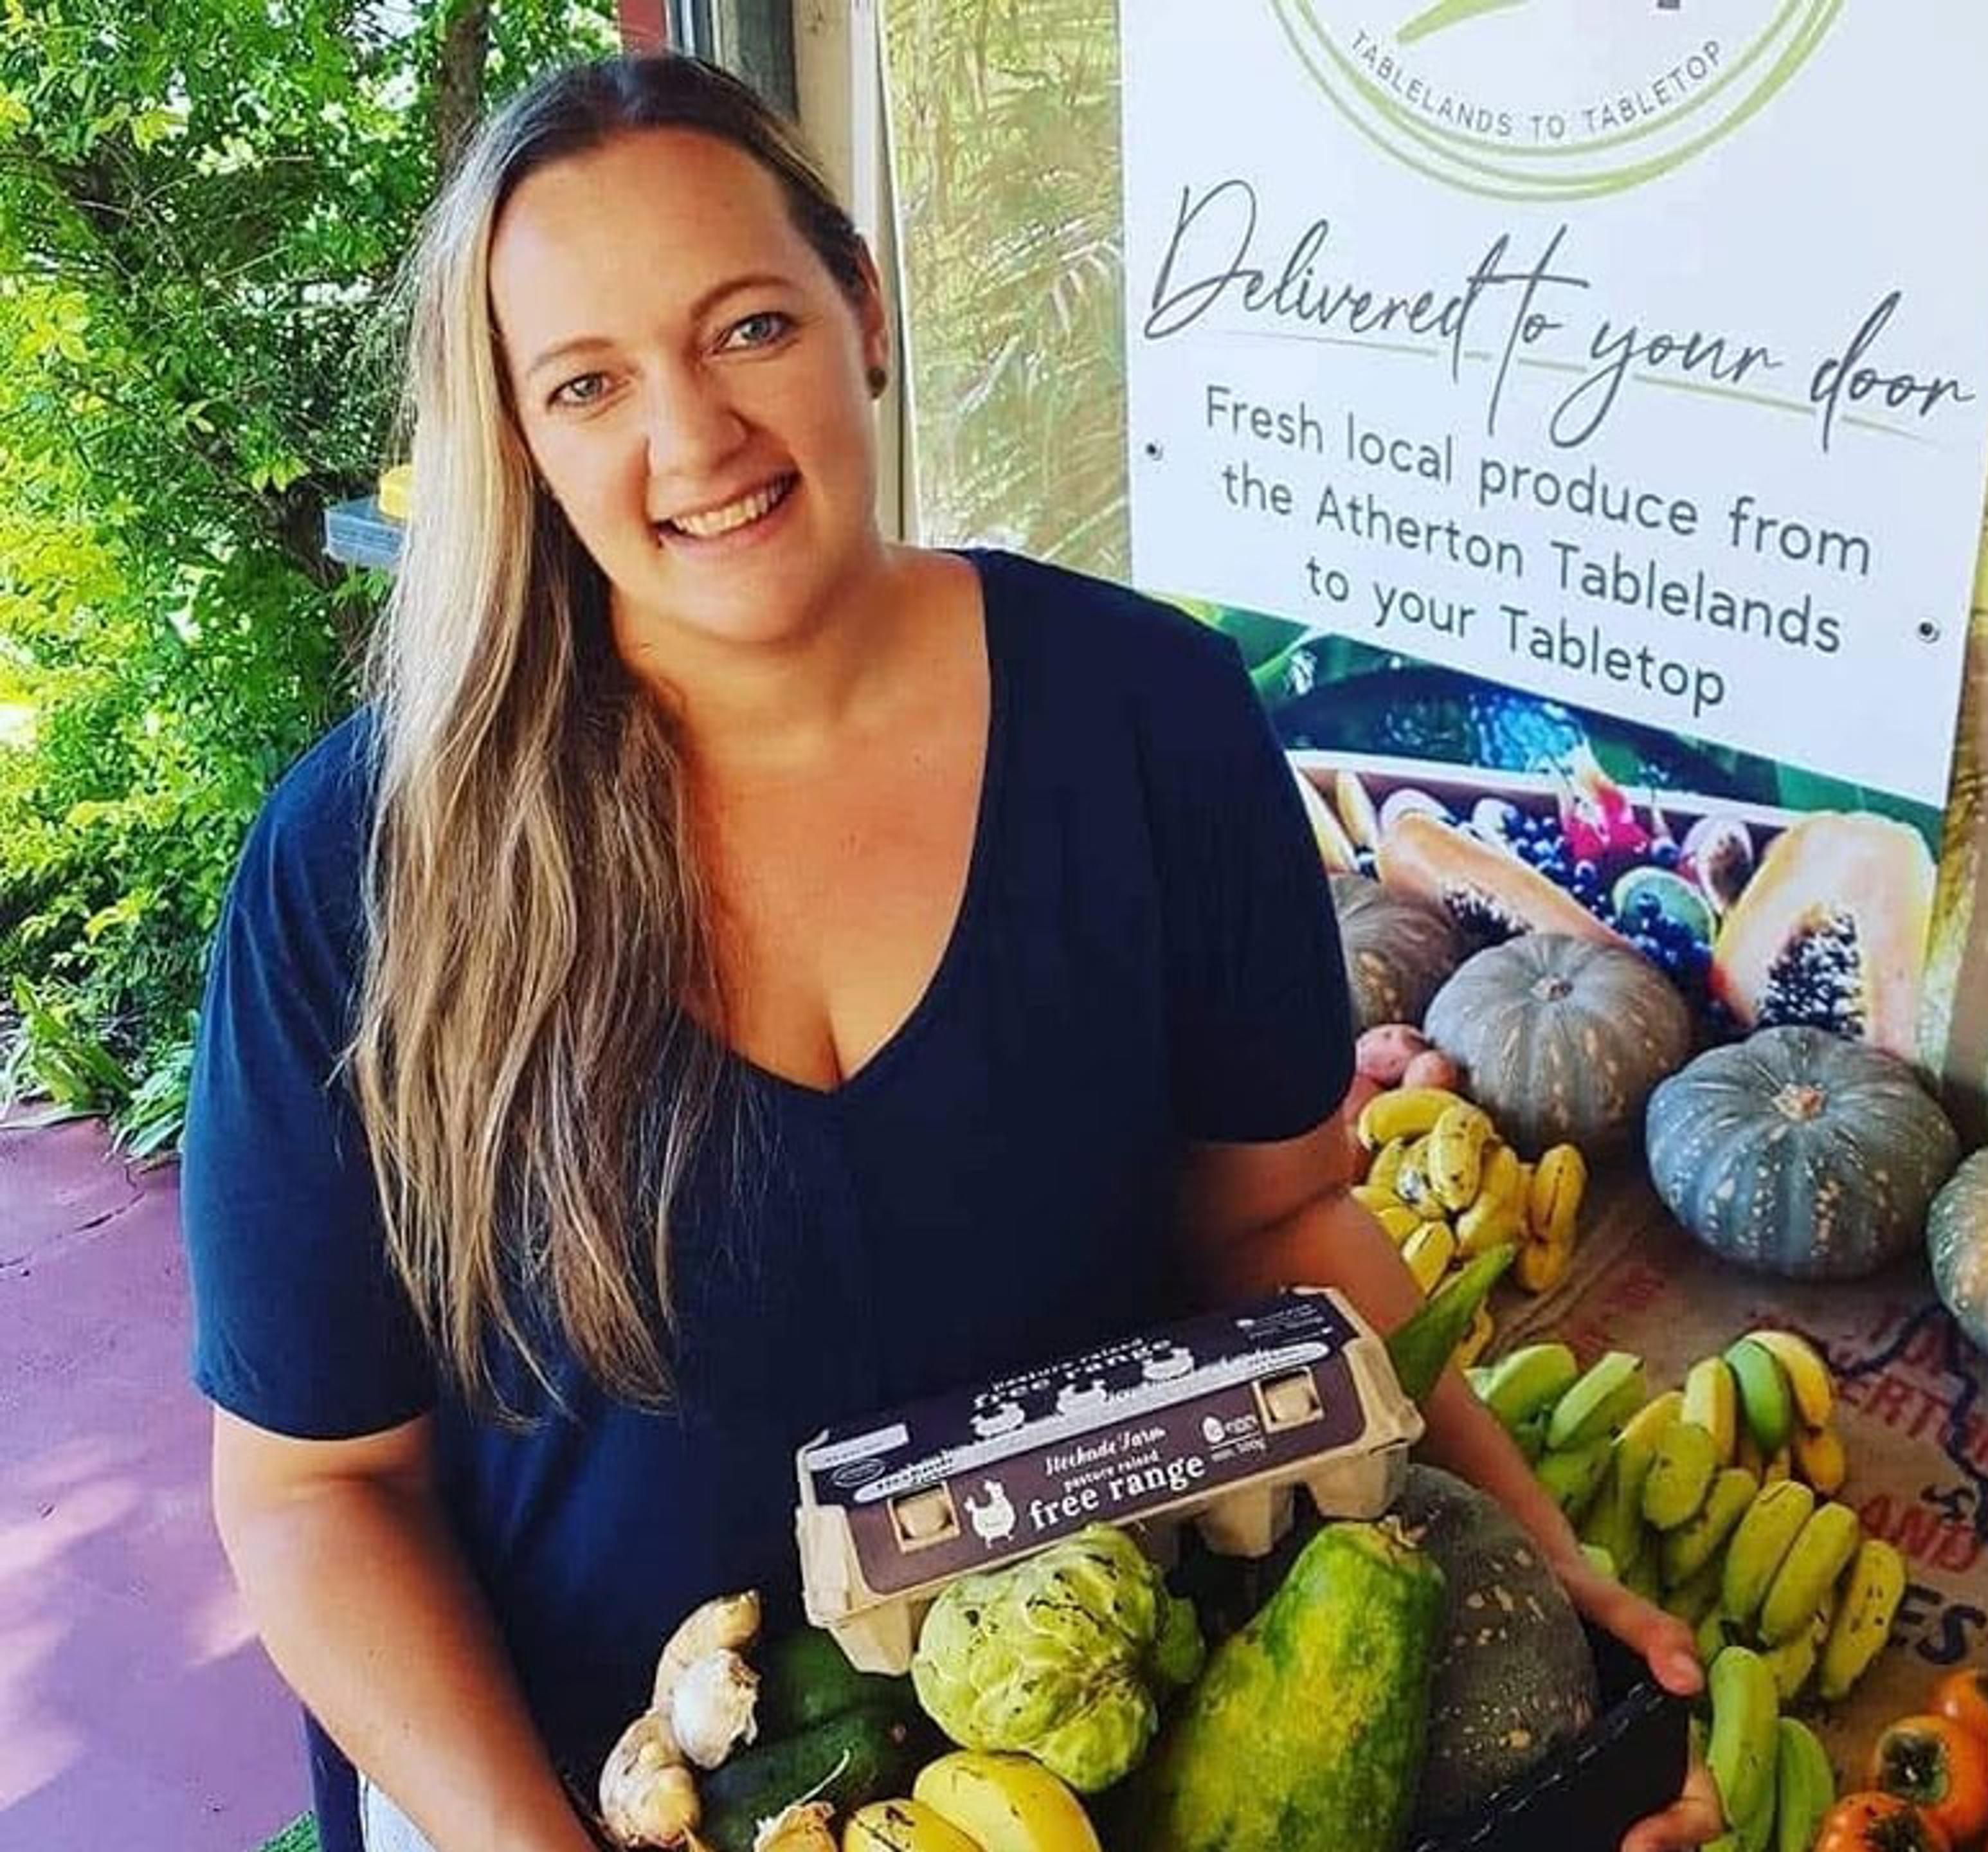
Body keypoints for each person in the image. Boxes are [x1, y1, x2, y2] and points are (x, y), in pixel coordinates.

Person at [181, 52, 1722, 1852]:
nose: (691, 441)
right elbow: (314, 1487)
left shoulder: (1148, 716)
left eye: (747, 328)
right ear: (520, 441)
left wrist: (1543, 1575)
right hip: (588, 1787)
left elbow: (1279, 1225)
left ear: (864, 313)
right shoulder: (366, 865)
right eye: (587, 382)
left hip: (1081, 1767)